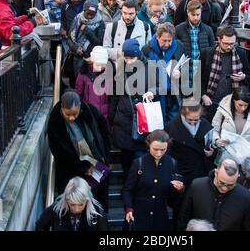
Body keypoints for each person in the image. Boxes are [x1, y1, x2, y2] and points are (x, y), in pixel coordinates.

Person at [47, 91, 111, 211]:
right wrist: (83, 168)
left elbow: (104, 130)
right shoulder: (55, 122)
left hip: (96, 167)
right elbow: (59, 152)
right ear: (62, 108)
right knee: (74, 205)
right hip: (71, 172)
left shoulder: (90, 111)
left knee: (95, 204)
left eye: (75, 114)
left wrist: (104, 155)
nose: (71, 118)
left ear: (80, 106)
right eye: (67, 114)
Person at [122, 130, 184, 231]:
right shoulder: (139, 163)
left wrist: (179, 189)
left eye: (163, 149)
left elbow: (173, 196)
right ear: (148, 145)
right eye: (155, 149)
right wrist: (128, 208)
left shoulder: (172, 163)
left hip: (160, 217)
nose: (159, 153)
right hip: (138, 215)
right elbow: (127, 190)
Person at [109, 39, 152, 181]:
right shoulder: (120, 69)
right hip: (124, 121)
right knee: (126, 161)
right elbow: (116, 94)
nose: (128, 61)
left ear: (138, 55)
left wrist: (152, 92)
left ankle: (137, 187)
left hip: (142, 121)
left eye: (131, 58)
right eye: (126, 58)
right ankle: (127, 187)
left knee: (141, 161)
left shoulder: (149, 68)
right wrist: (112, 116)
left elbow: (160, 85)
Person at [177, 159, 250, 231]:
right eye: (221, 183)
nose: (224, 188)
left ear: (237, 177)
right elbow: (183, 219)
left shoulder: (245, 196)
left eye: (230, 185)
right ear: (216, 173)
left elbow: (248, 226)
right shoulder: (197, 186)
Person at [200, 26, 250, 121]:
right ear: (218, 39)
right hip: (211, 101)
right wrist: (203, 95)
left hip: (232, 102)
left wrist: (243, 77)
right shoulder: (207, 54)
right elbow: (197, 78)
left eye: (232, 44)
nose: (229, 46)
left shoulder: (241, 53)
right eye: (226, 43)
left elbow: (249, 76)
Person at [210, 86, 250, 165]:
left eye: (246, 105)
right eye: (240, 105)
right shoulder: (223, 110)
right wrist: (216, 140)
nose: (243, 108)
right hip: (226, 156)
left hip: (245, 157)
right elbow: (214, 129)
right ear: (233, 101)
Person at [142, 23, 184, 125]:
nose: (167, 44)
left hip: (173, 95)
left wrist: (181, 73)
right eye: (164, 40)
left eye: (170, 40)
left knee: (173, 127)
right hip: (156, 94)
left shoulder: (179, 46)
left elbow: (186, 65)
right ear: (157, 37)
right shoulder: (147, 50)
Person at [166, 104, 213, 189]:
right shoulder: (171, 127)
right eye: (189, 119)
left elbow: (211, 145)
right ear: (183, 114)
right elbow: (167, 153)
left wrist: (211, 153)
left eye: (196, 119)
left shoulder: (205, 124)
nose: (192, 122)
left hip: (201, 170)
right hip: (182, 172)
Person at [36, 176, 108, 231]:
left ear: (87, 201)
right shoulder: (56, 209)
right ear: (67, 200)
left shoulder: (97, 212)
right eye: (72, 204)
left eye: (81, 205)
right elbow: (40, 225)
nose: (76, 209)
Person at [175, 0, 215, 89]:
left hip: (201, 67)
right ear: (188, 13)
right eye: (193, 15)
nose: (196, 18)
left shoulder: (208, 29)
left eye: (198, 14)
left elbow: (212, 49)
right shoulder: (178, 29)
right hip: (185, 67)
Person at [67, 0, 106, 86]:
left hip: (91, 59)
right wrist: (75, 48)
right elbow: (69, 38)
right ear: (83, 11)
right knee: (78, 82)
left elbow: (99, 43)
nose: (89, 16)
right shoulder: (77, 19)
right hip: (78, 56)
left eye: (92, 14)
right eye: (87, 13)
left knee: (90, 83)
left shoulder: (100, 23)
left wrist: (87, 30)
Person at [103, 0, 151, 64]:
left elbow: (148, 51)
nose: (127, 17)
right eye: (125, 13)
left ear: (136, 12)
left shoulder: (146, 27)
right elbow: (105, 50)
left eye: (131, 14)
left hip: (138, 68)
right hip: (117, 68)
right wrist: (121, 52)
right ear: (121, 12)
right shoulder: (111, 27)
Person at [75, 46, 111, 124]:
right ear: (92, 61)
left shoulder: (108, 74)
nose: (100, 67)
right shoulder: (83, 74)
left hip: (103, 116)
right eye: (98, 64)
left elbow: (110, 97)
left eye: (103, 65)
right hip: (89, 114)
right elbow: (78, 94)